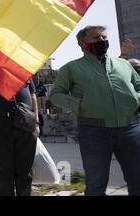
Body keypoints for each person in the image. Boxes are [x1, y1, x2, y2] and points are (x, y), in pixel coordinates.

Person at [50, 25, 140, 196]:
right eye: (95, 38)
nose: (102, 41)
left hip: (131, 129)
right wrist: (81, 103)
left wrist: (136, 99)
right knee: (96, 185)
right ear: (81, 43)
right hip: (94, 132)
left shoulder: (124, 65)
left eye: (104, 38)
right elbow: (56, 95)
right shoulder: (71, 69)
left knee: (138, 179)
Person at [0, 79, 39, 196]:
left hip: (25, 120)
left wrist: (36, 121)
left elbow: (32, 94)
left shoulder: (24, 67)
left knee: (25, 172)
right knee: (5, 173)